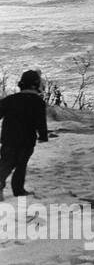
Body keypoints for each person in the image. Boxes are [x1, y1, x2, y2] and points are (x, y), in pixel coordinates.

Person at [0, 70, 49, 199]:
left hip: (8, 138)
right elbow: (41, 122)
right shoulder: (38, 102)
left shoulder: (10, 99)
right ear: (36, 85)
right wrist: (43, 136)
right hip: (26, 140)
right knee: (21, 165)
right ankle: (18, 189)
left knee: (6, 162)